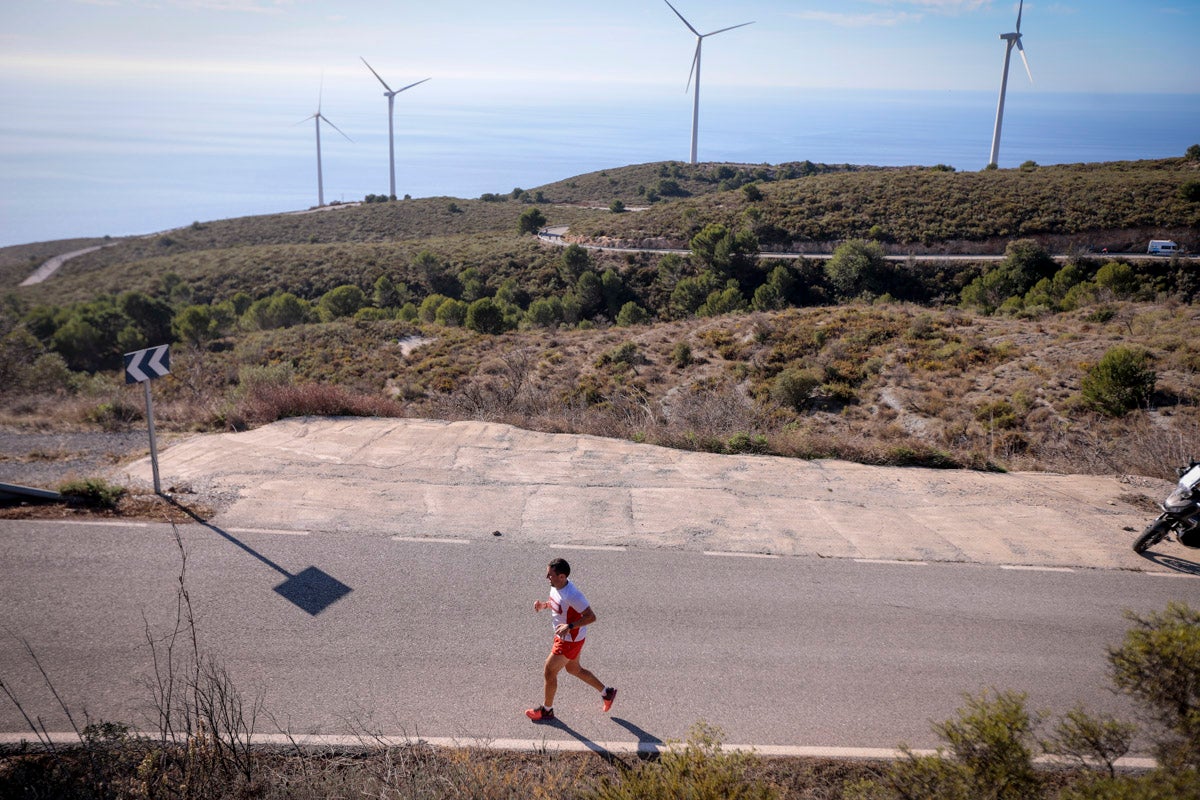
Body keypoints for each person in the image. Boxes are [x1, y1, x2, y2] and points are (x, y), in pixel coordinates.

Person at [525, 558, 617, 722]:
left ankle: (547, 710)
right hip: (568, 637)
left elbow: (591, 617)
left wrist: (570, 626)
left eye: (550, 575)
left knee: (549, 670)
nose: (547, 577)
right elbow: (558, 604)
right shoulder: (556, 586)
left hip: (569, 639)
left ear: (562, 576)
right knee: (574, 669)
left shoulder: (573, 595)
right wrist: (544, 605)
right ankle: (606, 693)